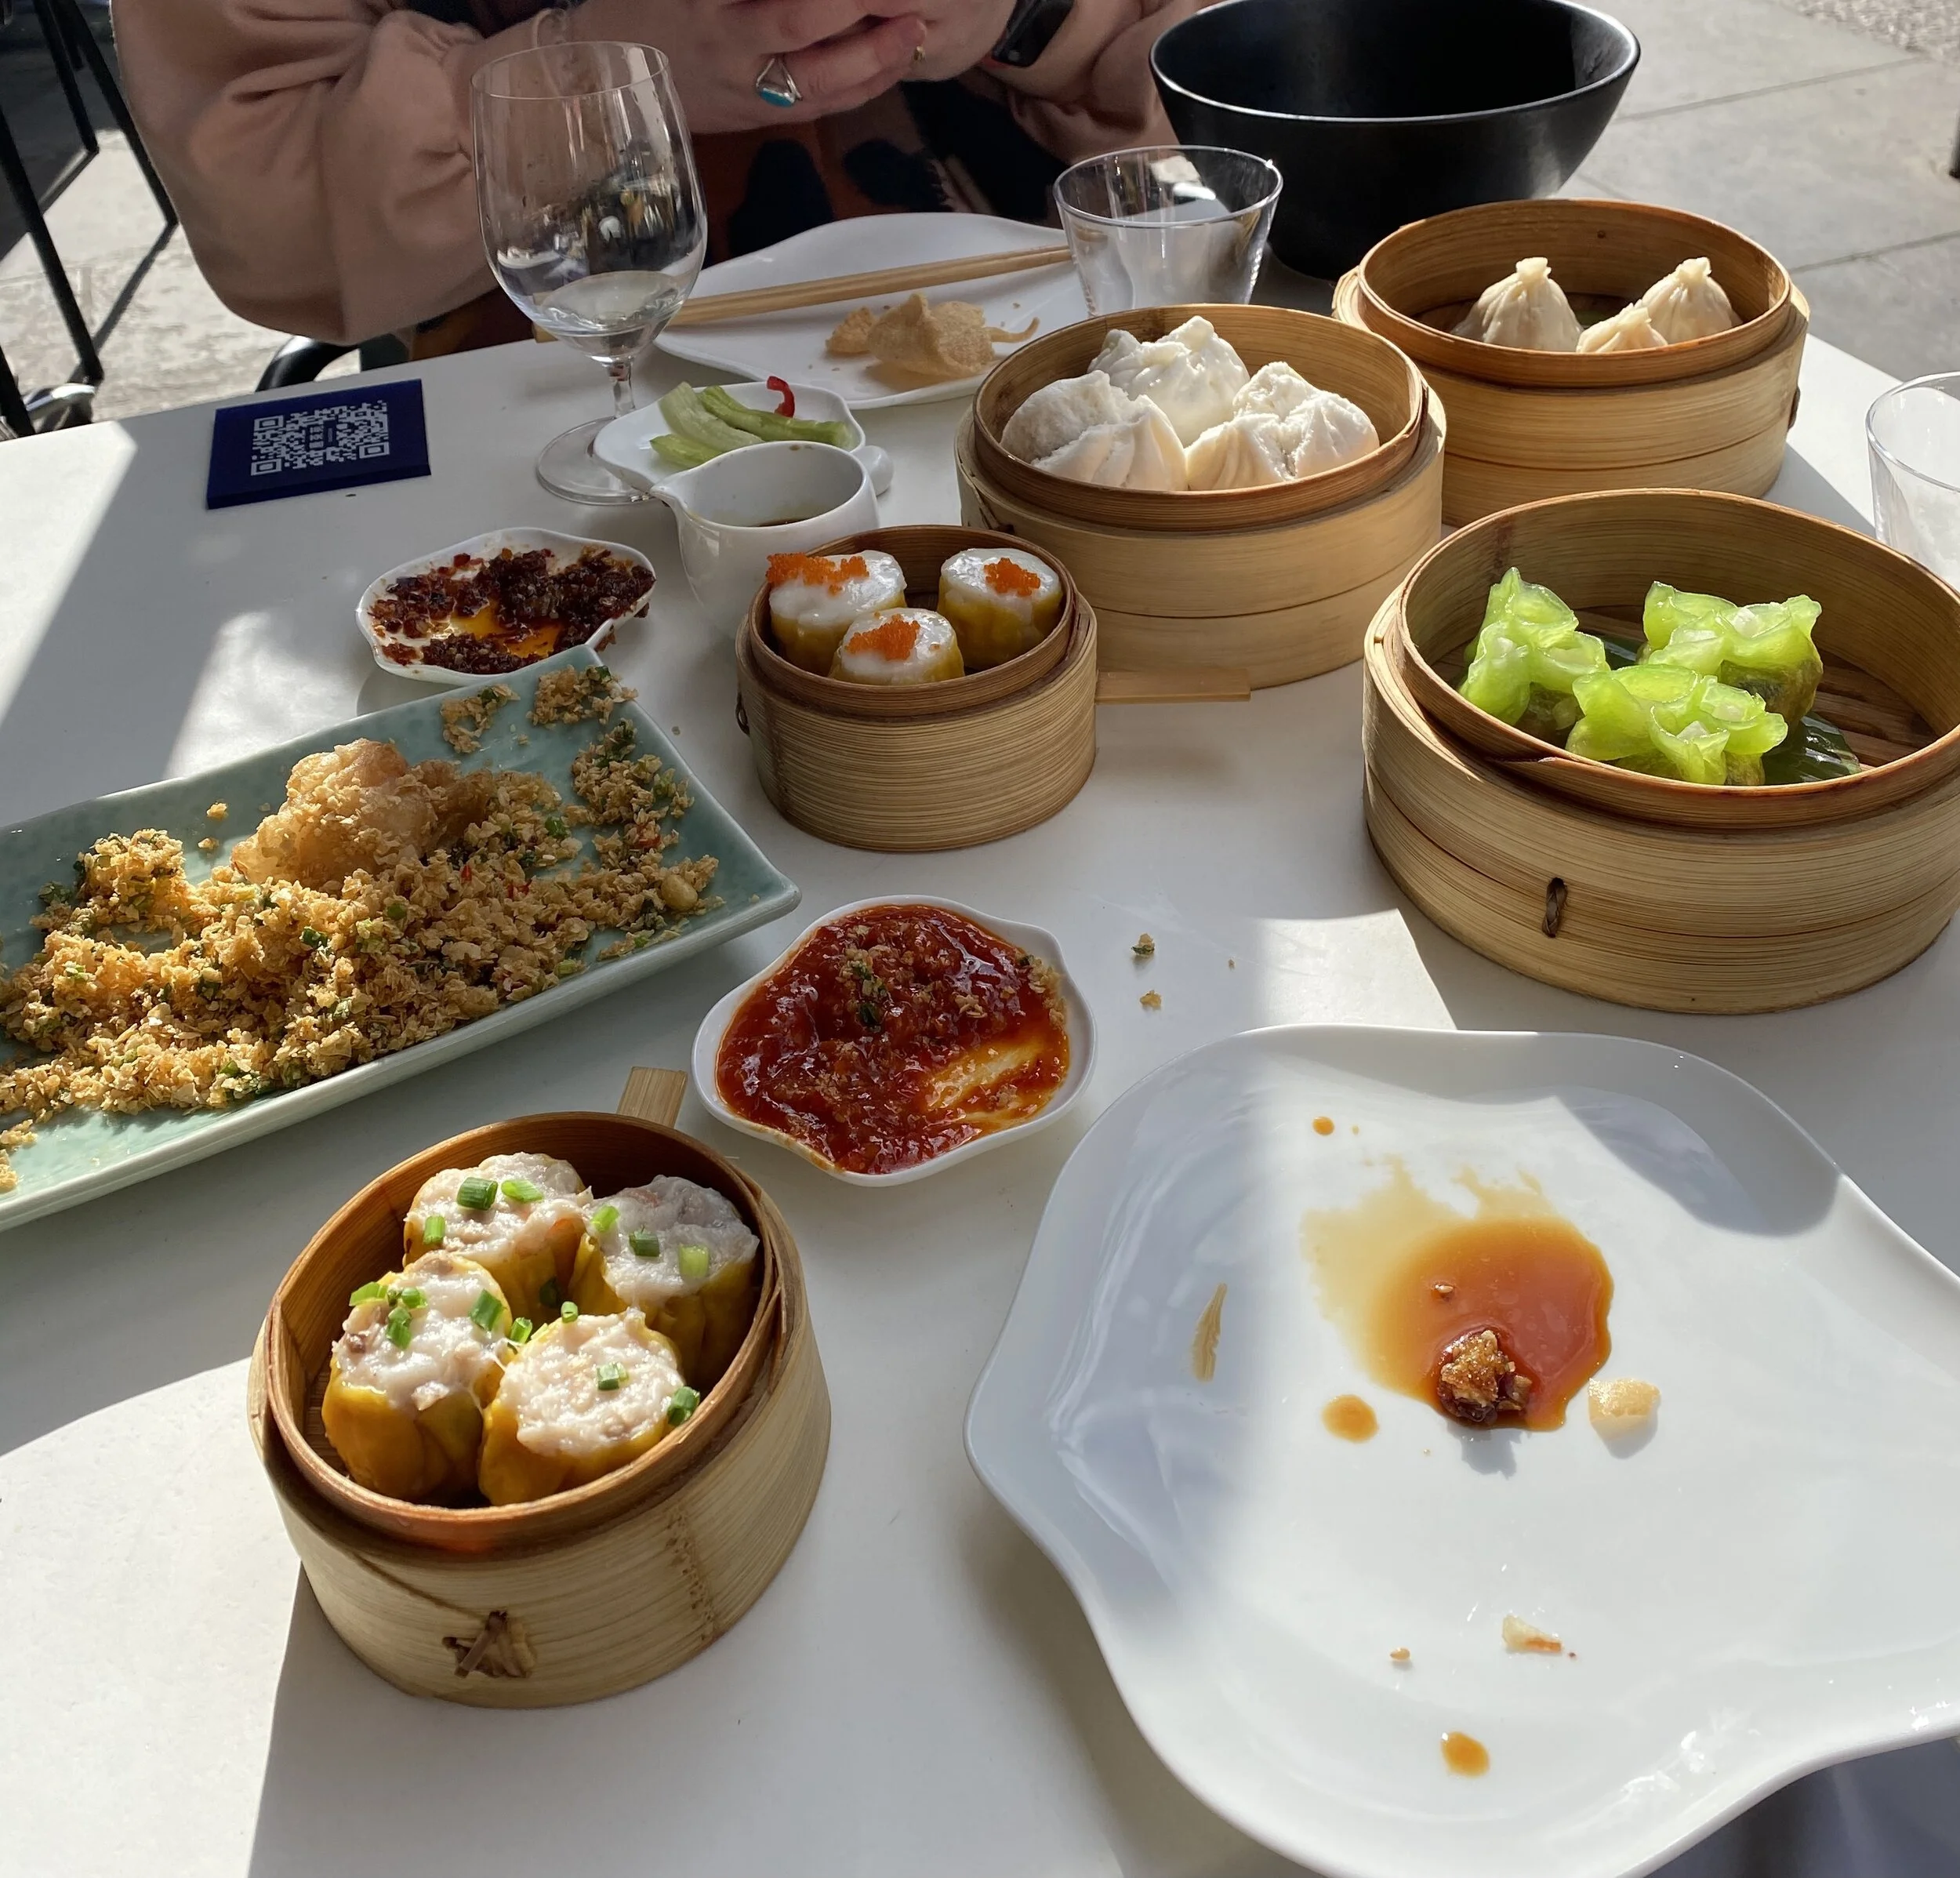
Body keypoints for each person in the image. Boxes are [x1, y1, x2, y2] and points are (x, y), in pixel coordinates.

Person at [115, 0, 1209, 351]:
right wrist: (587, 74)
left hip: (1043, 353)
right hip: (542, 415)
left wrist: (1028, 13)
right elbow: (277, 226)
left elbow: (1245, 84)